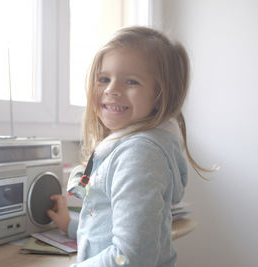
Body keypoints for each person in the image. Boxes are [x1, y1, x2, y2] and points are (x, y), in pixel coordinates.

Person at [47, 26, 212, 266]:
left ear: (159, 95)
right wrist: (70, 225)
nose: (112, 89)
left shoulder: (139, 156)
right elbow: (108, 227)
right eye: (104, 79)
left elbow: (129, 257)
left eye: (131, 81)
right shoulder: (125, 147)